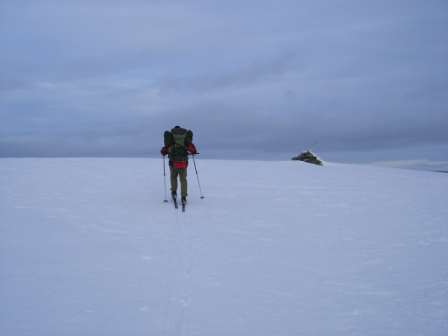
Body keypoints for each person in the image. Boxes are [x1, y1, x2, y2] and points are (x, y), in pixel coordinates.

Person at [160, 126, 197, 205]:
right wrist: (193, 151)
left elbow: (164, 150)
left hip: (173, 162)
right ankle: (183, 197)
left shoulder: (171, 139)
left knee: (173, 176)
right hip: (183, 163)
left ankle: (173, 193)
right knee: (183, 179)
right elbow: (192, 149)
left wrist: (163, 151)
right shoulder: (185, 139)